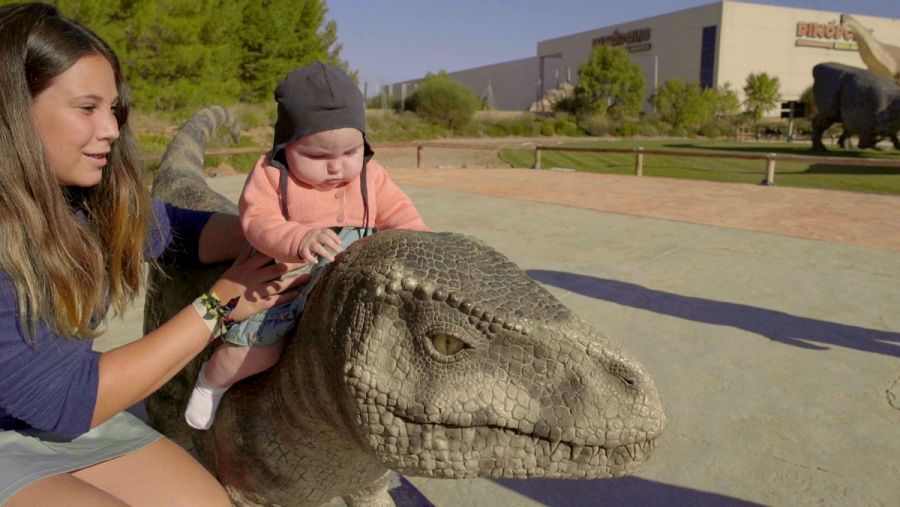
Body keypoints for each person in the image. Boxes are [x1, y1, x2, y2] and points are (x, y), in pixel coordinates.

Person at [0, 3, 305, 505]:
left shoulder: (79, 200)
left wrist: (281, 233)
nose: (112, 130)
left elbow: (179, 230)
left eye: (113, 109)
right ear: (13, 109)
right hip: (57, 409)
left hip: (54, 416)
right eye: (87, 108)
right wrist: (220, 304)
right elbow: (68, 400)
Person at [183, 62, 429, 430]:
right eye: (317, 157)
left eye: (350, 152)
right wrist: (298, 238)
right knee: (258, 351)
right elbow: (257, 221)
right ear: (285, 145)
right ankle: (212, 381)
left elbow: (398, 211)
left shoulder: (370, 174)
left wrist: (421, 244)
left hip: (352, 272)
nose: (337, 168)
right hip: (289, 278)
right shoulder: (271, 174)